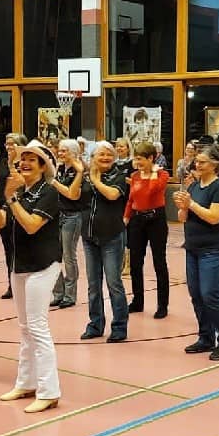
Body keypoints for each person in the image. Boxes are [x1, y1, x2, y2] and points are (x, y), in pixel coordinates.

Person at [0, 140, 62, 413]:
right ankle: (26, 382)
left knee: (38, 328)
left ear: (42, 166)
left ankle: (49, 391)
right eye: (22, 158)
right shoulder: (20, 192)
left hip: (43, 265)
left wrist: (11, 197)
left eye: (31, 159)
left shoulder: (48, 192)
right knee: (25, 329)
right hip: (20, 265)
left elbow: (31, 226)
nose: (24, 162)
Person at [174, 145, 219, 361]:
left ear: (215, 164)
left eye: (201, 162)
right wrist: (182, 206)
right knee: (197, 295)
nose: (196, 165)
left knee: (210, 294)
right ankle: (206, 337)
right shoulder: (194, 187)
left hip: (214, 248)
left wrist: (191, 205)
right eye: (196, 162)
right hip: (193, 247)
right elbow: (183, 218)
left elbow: (214, 217)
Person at [78, 141, 130, 343]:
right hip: (89, 237)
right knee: (93, 284)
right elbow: (75, 197)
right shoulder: (84, 177)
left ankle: (119, 327)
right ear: (93, 158)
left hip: (112, 237)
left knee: (114, 283)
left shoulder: (117, 175)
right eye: (101, 155)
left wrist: (95, 179)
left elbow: (112, 194)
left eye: (109, 154)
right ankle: (95, 324)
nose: (106, 158)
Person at [125, 141, 170, 318]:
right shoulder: (135, 176)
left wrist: (152, 173)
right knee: (136, 262)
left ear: (151, 158)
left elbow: (152, 190)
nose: (137, 162)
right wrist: (126, 218)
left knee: (159, 262)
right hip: (137, 219)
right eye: (136, 159)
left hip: (156, 220)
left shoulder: (163, 175)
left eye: (141, 159)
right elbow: (131, 199)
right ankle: (138, 301)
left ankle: (162, 305)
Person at [49, 139, 85, 309]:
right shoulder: (61, 168)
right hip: (58, 215)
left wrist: (54, 182)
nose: (61, 154)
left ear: (74, 152)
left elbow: (72, 194)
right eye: (60, 151)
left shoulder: (79, 170)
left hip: (72, 216)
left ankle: (70, 295)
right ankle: (58, 293)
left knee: (68, 256)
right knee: (54, 255)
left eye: (65, 151)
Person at [0, 133, 26, 299]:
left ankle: (24, 284)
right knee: (8, 249)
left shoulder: (26, 162)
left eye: (13, 144)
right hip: (4, 208)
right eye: (7, 143)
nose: (9, 146)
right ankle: (12, 284)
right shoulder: (2, 162)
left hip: (21, 207)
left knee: (22, 248)